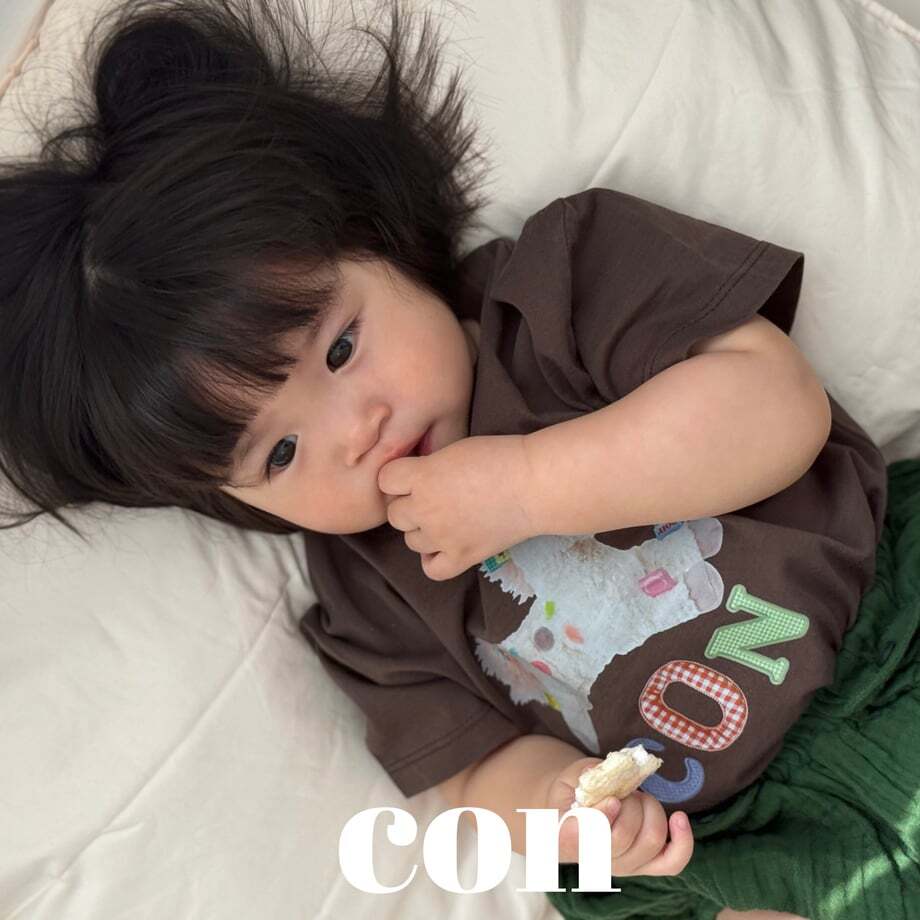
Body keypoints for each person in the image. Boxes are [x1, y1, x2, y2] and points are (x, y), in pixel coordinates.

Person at [0, 2, 905, 918]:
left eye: (341, 349)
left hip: (885, 622)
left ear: (379, 243)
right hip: (729, 837)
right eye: (280, 452)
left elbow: (776, 407)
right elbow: (476, 771)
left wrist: (529, 486)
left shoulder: (554, 294)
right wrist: (557, 804)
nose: (354, 433)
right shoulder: (366, 594)